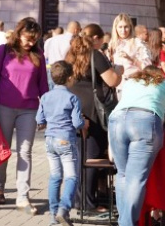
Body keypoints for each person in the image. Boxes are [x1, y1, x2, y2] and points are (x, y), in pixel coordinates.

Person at [0, 16, 49, 214]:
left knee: (25, 151)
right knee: (2, 149)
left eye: (34, 39)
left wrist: (45, 113)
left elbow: (43, 86)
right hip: (3, 106)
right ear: (19, 33)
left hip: (29, 109)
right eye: (28, 38)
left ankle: (23, 196)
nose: (31, 42)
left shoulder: (38, 54)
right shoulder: (4, 50)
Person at [108, 52, 165, 226]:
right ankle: (126, 223)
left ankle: (124, 222)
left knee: (122, 175)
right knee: (135, 179)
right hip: (145, 121)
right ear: (160, 75)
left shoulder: (131, 82)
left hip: (116, 120)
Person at [66, 23, 121, 214]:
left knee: (80, 157)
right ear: (96, 39)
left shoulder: (71, 54)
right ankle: (87, 204)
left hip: (74, 108)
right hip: (92, 111)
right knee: (92, 157)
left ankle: (79, 200)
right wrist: (119, 70)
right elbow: (112, 80)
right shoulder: (95, 55)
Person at [36, 60, 85, 226]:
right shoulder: (72, 98)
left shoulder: (45, 97)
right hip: (66, 139)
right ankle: (63, 209)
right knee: (72, 177)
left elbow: (39, 119)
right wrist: (84, 122)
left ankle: (53, 216)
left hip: (50, 140)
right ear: (70, 78)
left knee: (55, 177)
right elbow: (77, 123)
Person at [107, 15, 148, 81]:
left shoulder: (137, 43)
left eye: (126, 27)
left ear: (130, 27)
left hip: (134, 81)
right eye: (120, 27)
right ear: (116, 28)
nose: (123, 30)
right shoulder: (112, 43)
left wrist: (131, 59)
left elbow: (147, 67)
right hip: (118, 83)